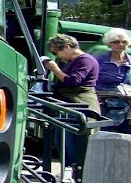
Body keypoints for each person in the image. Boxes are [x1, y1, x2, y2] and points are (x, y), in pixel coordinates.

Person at [43, 34, 100, 169]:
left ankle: (78, 175)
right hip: (69, 107)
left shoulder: (85, 60)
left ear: (67, 47)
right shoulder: (71, 62)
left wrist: (55, 69)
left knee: (75, 146)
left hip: (80, 106)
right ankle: (69, 173)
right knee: (62, 143)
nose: (58, 56)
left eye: (58, 52)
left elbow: (73, 81)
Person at [95, 27, 131, 134]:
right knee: (106, 142)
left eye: (124, 42)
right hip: (105, 109)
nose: (120, 44)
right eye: (116, 42)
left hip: (128, 112)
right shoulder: (99, 61)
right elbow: (90, 83)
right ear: (109, 44)